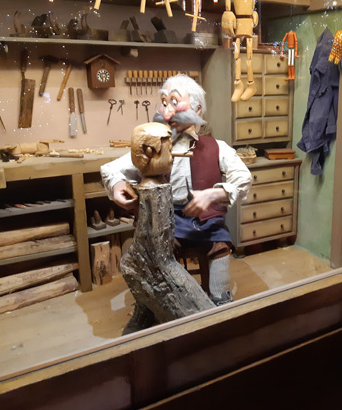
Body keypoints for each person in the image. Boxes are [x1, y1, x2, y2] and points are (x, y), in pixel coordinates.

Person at [101, 74, 252, 333]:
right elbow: (111, 169)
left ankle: (220, 301)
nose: (166, 109)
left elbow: (243, 178)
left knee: (219, 244)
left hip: (204, 221)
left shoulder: (217, 147)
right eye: (164, 102)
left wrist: (212, 195)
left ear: (197, 109)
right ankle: (146, 306)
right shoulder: (152, 146)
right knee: (145, 252)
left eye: (174, 101)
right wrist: (117, 186)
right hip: (163, 220)